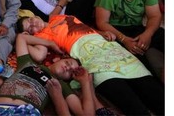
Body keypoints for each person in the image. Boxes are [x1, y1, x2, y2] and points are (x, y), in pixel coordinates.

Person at [16, 14, 164, 115]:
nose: (33, 24)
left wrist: (101, 32)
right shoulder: (41, 35)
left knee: (157, 96)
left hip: (109, 48)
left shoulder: (59, 17)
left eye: (30, 20)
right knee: (135, 107)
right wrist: (26, 36)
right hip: (90, 57)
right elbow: (39, 55)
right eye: (30, 28)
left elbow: (85, 27)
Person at [0, 27, 114, 116]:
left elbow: (86, 113)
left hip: (25, 111)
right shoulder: (27, 63)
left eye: (70, 72)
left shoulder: (60, 85)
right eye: (68, 63)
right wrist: (50, 43)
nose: (69, 68)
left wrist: (84, 82)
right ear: (56, 59)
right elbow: (21, 37)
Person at [94, 0, 164, 81]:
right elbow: (102, 22)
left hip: (137, 29)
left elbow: (155, 16)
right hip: (115, 31)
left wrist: (147, 34)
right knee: (136, 61)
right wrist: (124, 39)